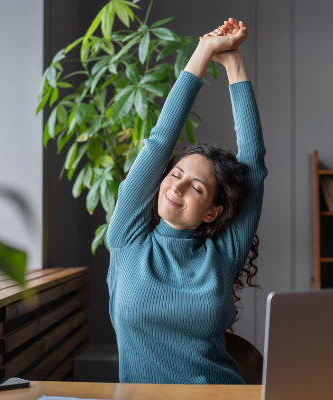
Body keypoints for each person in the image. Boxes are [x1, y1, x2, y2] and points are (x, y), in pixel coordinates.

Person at [105, 17, 267, 384]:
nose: (176, 188)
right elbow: (161, 141)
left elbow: (253, 163)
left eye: (196, 188)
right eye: (175, 175)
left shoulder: (223, 255)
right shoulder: (128, 238)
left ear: (213, 211)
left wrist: (235, 65)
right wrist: (204, 51)